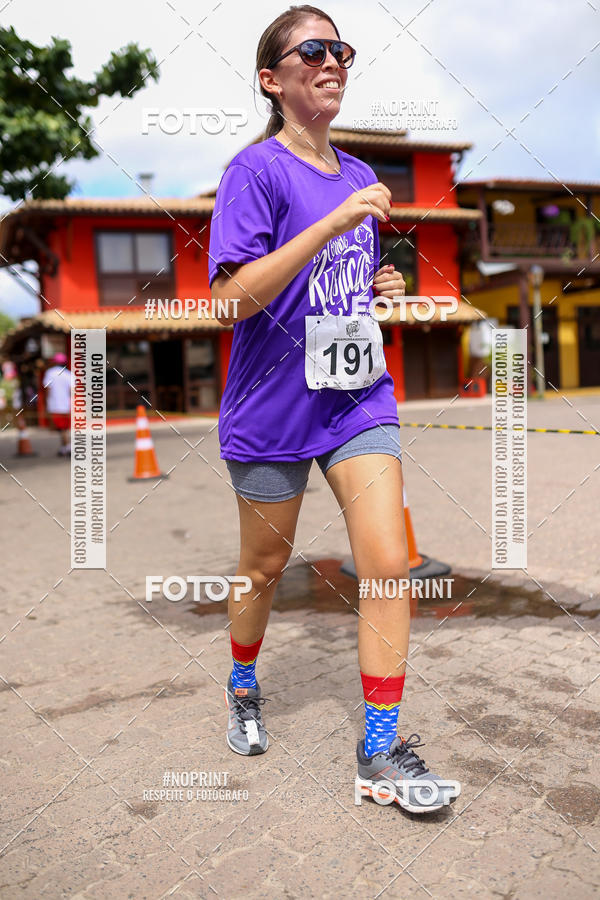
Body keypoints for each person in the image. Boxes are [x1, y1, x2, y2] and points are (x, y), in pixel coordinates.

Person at [209, 4, 460, 813]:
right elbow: (230, 302)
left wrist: (379, 290)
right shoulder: (256, 173)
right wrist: (328, 228)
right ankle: (244, 684)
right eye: (311, 50)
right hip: (271, 410)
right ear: (271, 79)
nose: (332, 61)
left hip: (356, 400)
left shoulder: (359, 179)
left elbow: (339, 290)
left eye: (341, 49)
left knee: (387, 563)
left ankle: (379, 752)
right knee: (264, 568)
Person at [43, 352, 73, 457]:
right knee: (63, 428)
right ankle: (64, 448)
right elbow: (71, 391)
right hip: (66, 405)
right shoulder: (68, 374)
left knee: (62, 428)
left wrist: (46, 403)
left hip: (55, 405)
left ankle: (68, 447)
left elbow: (48, 389)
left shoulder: (50, 373)